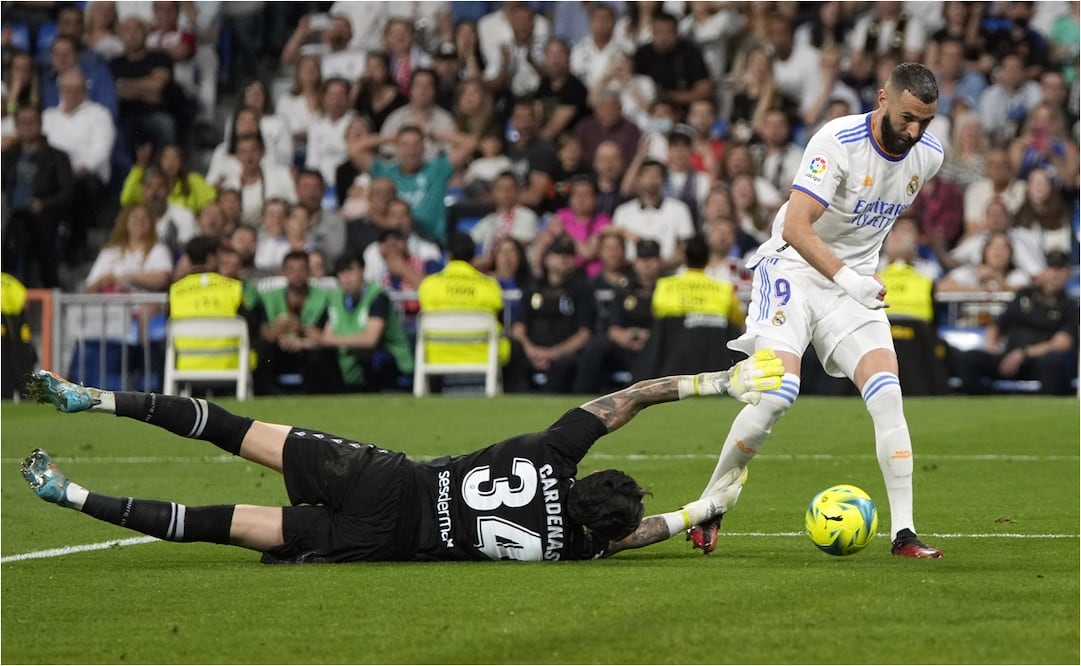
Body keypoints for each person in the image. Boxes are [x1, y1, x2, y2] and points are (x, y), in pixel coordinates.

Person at [21, 349, 783, 563]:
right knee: (216, 524)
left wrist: (714, 383)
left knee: (228, 426)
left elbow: (630, 399)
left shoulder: (551, 451)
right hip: (378, 541)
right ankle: (70, 494)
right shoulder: (571, 548)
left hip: (382, 480)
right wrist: (700, 510)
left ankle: (96, 398)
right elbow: (637, 535)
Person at [690, 62, 947, 559]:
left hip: (851, 288)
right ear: (882, 100)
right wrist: (851, 277)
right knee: (777, 393)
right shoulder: (837, 142)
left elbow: (868, 222)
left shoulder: (929, 156)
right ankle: (710, 505)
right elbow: (796, 227)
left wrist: (856, 278)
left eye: (926, 122)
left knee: (887, 395)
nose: (915, 132)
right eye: (907, 118)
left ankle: (905, 534)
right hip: (793, 270)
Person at [956, 252, 1078, 396]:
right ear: (1044, 271)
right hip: (1009, 358)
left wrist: (1024, 353)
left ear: (1068, 274)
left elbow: (1062, 343)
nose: (1055, 274)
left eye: (1061, 269)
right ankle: (986, 401)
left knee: (1053, 363)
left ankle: (1043, 405)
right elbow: (997, 325)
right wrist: (991, 347)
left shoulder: (1069, 306)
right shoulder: (1024, 295)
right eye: (1052, 268)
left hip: (1038, 361)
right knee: (969, 359)